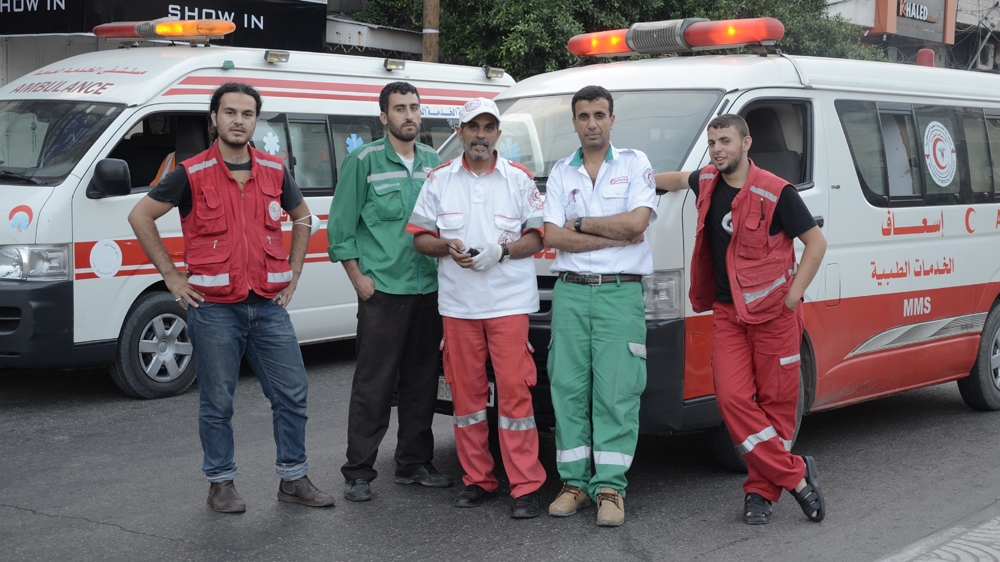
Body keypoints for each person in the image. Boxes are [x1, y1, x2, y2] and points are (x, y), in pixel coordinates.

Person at [128, 82, 335, 513]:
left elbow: (303, 218)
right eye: (230, 112)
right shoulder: (191, 172)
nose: (238, 121)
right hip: (214, 309)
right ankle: (220, 483)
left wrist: (294, 271)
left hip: (267, 305)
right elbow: (140, 215)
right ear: (214, 118)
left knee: (292, 394)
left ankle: (293, 478)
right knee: (218, 402)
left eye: (247, 113)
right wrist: (171, 277)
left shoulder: (274, 169)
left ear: (256, 120)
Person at [654, 114, 827, 525]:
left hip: (774, 316)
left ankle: (760, 493)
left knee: (776, 406)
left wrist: (792, 297)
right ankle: (796, 475)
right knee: (732, 400)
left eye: (725, 141)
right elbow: (673, 180)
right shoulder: (706, 181)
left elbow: (816, 243)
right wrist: (624, 179)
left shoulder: (776, 191)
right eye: (712, 143)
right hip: (728, 315)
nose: (717, 150)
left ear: (746, 143)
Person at [407, 98, 547, 518]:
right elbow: (420, 238)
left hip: (508, 304)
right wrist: (446, 247)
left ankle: (525, 486)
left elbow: (537, 237)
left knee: (515, 395)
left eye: (488, 127)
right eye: (473, 127)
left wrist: (501, 251)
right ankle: (478, 479)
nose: (480, 135)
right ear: (460, 132)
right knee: (467, 399)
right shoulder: (439, 179)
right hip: (459, 307)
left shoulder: (519, 179)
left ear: (498, 134)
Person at [327, 81, 453, 502]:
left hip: (428, 289)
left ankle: (413, 463)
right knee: (374, 384)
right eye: (400, 108)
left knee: (421, 381)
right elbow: (340, 228)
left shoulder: (434, 162)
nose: (409, 115)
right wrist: (358, 278)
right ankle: (358, 471)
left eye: (414, 107)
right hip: (382, 291)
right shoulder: (363, 161)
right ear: (384, 116)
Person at [541, 85, 656, 527]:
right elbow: (552, 235)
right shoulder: (561, 171)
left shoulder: (634, 163)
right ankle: (573, 484)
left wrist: (582, 224)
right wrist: (612, 235)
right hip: (570, 292)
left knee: (616, 391)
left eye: (599, 115)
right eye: (584, 116)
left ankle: (610, 488)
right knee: (567, 389)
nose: (592, 123)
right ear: (574, 122)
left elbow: (637, 222)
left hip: (618, 293)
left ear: (612, 119)